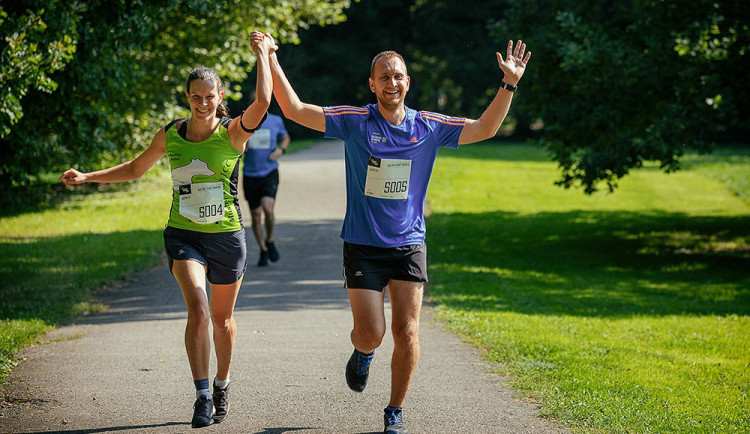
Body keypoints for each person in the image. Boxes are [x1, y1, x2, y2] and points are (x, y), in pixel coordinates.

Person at [263, 35, 530, 434]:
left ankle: (394, 411)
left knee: (407, 332)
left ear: (408, 82)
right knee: (372, 333)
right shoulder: (355, 121)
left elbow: (485, 129)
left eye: (399, 76)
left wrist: (508, 83)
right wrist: (269, 58)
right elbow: (295, 109)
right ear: (372, 84)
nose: (392, 83)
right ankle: (362, 352)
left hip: (408, 243)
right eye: (384, 77)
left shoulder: (428, 126)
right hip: (363, 244)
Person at [59, 31, 276, 428]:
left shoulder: (232, 133)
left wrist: (263, 54)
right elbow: (135, 169)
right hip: (184, 235)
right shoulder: (171, 135)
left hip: (227, 237)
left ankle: (223, 382)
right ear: (188, 97)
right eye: (196, 96)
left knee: (223, 321)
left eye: (210, 96)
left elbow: (262, 102)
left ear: (220, 96)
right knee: (198, 308)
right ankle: (202, 396)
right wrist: (88, 175)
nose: (203, 103)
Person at [241, 90, 291, 266]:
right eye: (255, 102)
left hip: (269, 172)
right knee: (255, 215)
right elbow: (237, 141)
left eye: (262, 102)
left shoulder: (276, 121)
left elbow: (285, 138)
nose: (259, 105)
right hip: (249, 174)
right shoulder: (245, 122)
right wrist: (242, 145)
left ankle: (269, 239)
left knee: (268, 209)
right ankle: (263, 249)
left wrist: (280, 150)